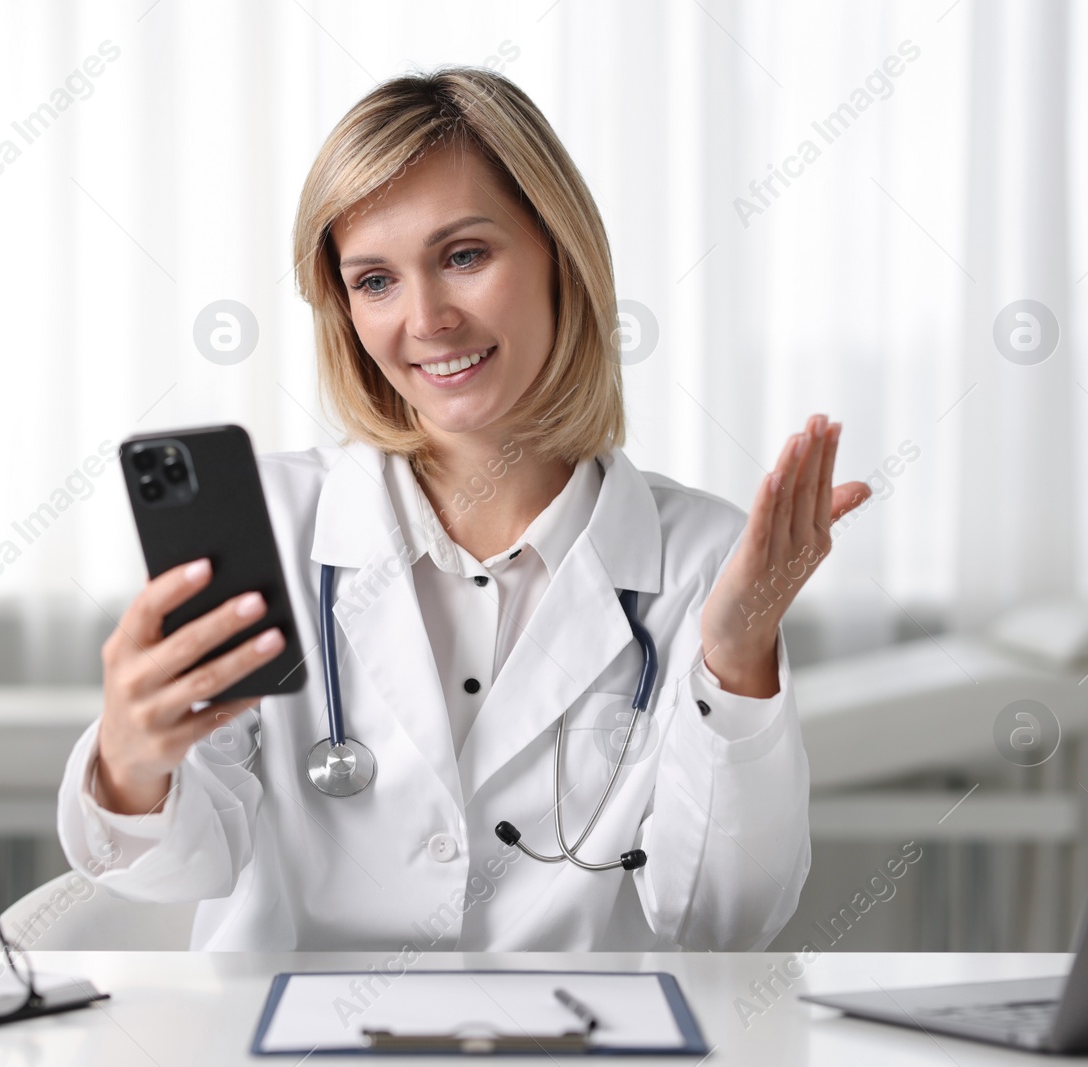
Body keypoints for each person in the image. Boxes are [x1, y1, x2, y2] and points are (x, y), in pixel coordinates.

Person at [57, 67, 871, 951]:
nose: (427, 318)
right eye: (374, 281)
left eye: (464, 256)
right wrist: (131, 760)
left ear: (561, 253)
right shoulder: (272, 523)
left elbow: (725, 922)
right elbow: (181, 867)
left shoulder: (708, 559)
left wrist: (737, 654)